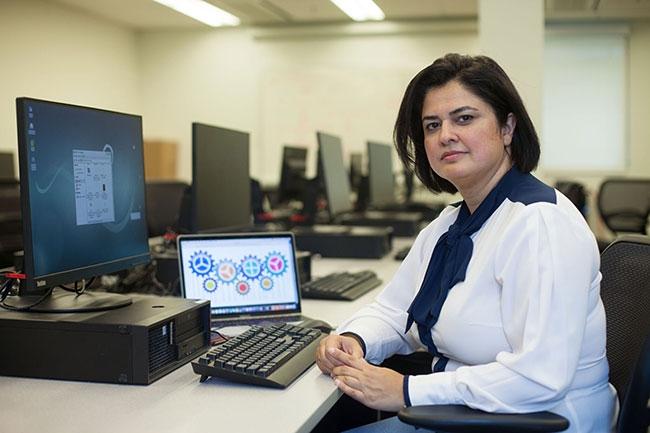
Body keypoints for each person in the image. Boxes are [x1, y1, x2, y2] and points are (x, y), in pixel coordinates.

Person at [315, 53, 616, 433]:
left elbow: (540, 377)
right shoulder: (451, 223)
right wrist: (351, 339)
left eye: (464, 118)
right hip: (469, 412)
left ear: (507, 128)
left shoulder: (539, 223)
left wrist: (407, 390)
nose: (445, 135)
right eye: (432, 125)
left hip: (537, 421)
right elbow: (395, 312)